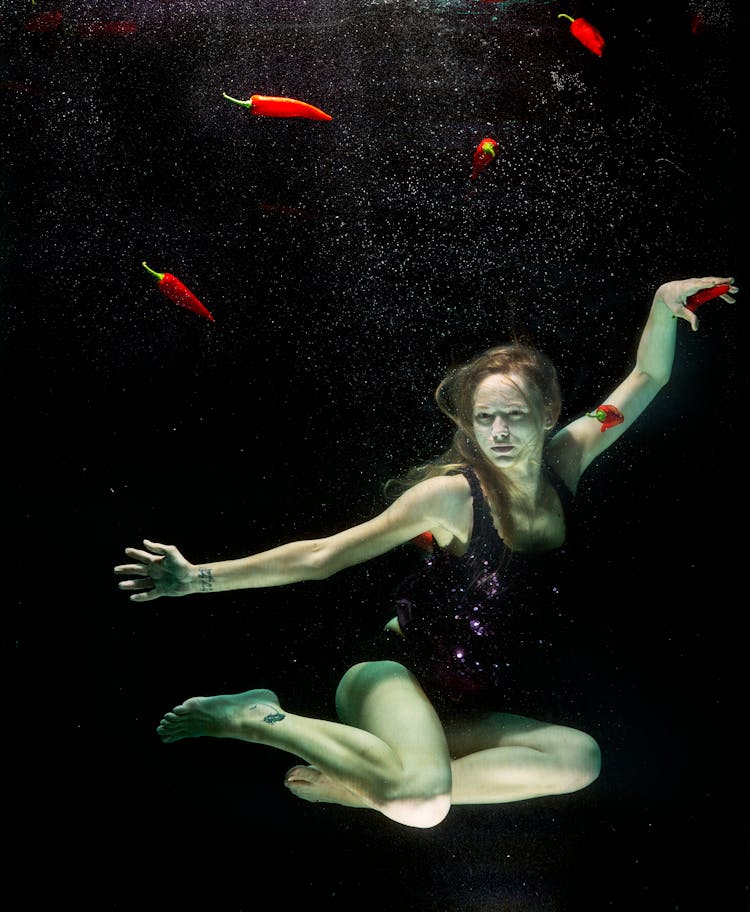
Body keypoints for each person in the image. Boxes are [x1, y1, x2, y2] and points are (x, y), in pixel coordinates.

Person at [115, 275, 737, 829]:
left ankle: (369, 788)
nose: (498, 433)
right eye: (484, 417)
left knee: (580, 758)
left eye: (514, 417)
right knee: (422, 808)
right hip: (391, 674)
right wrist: (197, 578)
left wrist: (661, 304)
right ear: (468, 422)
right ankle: (257, 717)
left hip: (463, 701)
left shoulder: (570, 457)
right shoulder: (449, 498)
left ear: (547, 416)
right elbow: (322, 555)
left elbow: (645, 379)